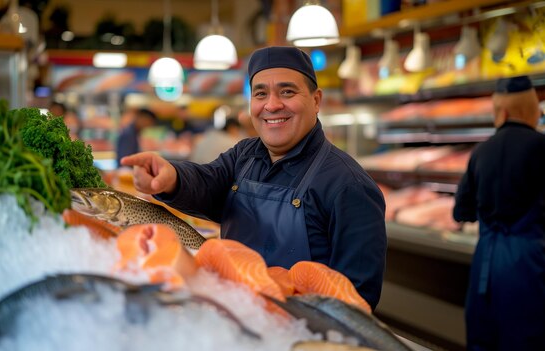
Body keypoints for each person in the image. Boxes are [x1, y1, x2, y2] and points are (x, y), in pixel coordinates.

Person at [121, 46, 387, 309]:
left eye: (287, 92)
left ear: (316, 100)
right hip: (232, 317)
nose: (271, 105)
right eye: (261, 94)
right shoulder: (244, 156)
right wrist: (172, 178)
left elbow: (357, 300)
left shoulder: (349, 185)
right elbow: (207, 182)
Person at [453, 75, 545, 350]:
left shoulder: (480, 152)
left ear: (501, 113)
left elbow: (461, 212)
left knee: (484, 338)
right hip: (531, 263)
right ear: (534, 113)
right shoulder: (542, 148)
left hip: (487, 262)